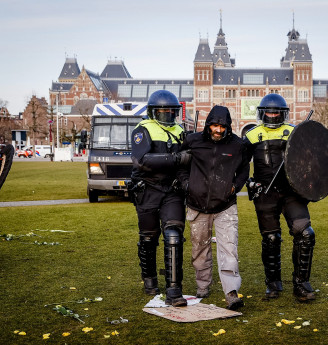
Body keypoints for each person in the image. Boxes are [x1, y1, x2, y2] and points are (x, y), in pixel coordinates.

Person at [244, 94, 316, 302]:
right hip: (265, 194)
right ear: (262, 112)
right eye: (269, 111)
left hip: (291, 193)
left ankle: (301, 284)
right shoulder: (251, 135)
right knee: (271, 239)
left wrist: (309, 183)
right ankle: (273, 283)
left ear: (283, 113)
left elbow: (311, 160)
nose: (273, 115)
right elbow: (238, 165)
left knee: (306, 234)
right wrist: (249, 183)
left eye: (276, 112)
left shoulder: (295, 132)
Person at [177, 105, 249, 310]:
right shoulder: (192, 141)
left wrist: (235, 187)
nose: (218, 130)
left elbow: (245, 169)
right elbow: (181, 165)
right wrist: (186, 185)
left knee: (229, 248)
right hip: (196, 205)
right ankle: (203, 286)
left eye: (222, 126)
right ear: (208, 124)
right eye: (215, 126)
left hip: (225, 206)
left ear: (228, 127)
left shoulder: (238, 145)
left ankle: (231, 292)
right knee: (199, 248)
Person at [130, 90, 191, 307]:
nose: (166, 113)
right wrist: (175, 158)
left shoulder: (181, 130)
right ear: (153, 111)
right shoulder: (142, 130)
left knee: (174, 235)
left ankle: (174, 290)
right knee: (148, 239)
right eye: (162, 110)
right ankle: (149, 280)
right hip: (147, 190)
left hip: (172, 191)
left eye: (170, 110)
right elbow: (141, 160)